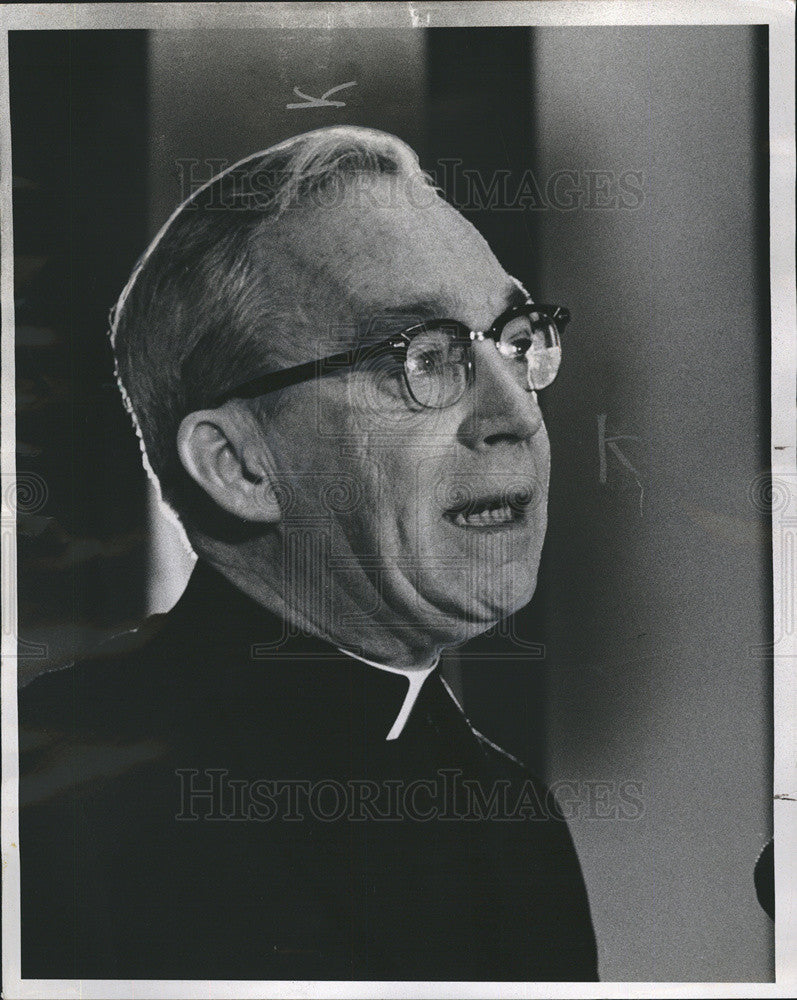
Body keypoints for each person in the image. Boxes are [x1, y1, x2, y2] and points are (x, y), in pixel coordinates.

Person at [19, 126, 598, 981]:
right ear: (241, 465)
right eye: (423, 357)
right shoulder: (54, 789)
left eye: (514, 339)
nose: (513, 411)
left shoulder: (514, 816)